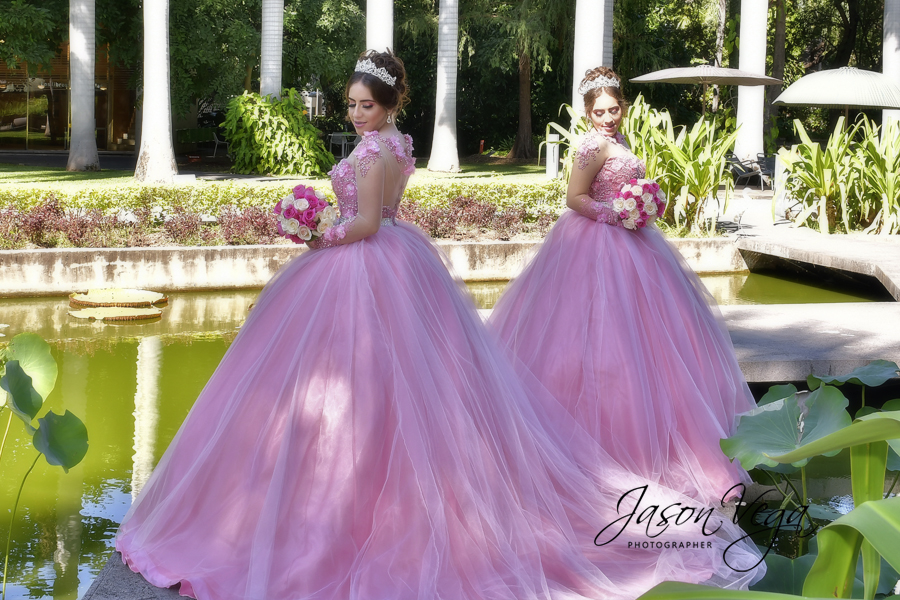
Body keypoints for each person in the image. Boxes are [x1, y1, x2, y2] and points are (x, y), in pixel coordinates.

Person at [115, 54, 763, 600]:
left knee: (361, 389)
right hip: (399, 261)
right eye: (351, 105)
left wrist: (318, 234)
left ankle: (345, 511)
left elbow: (367, 223)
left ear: (388, 105)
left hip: (362, 265)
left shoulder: (377, 150)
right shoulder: (398, 145)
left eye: (365, 105)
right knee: (391, 389)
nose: (355, 114)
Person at [489, 67, 757, 505]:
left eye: (613, 109)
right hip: (595, 244)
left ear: (623, 107)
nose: (607, 118)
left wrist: (643, 205)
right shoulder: (591, 145)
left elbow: (625, 185)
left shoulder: (620, 140)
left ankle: (664, 446)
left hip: (632, 242)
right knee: (595, 338)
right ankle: (592, 448)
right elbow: (574, 197)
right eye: (599, 112)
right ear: (588, 113)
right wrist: (616, 213)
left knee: (653, 340)